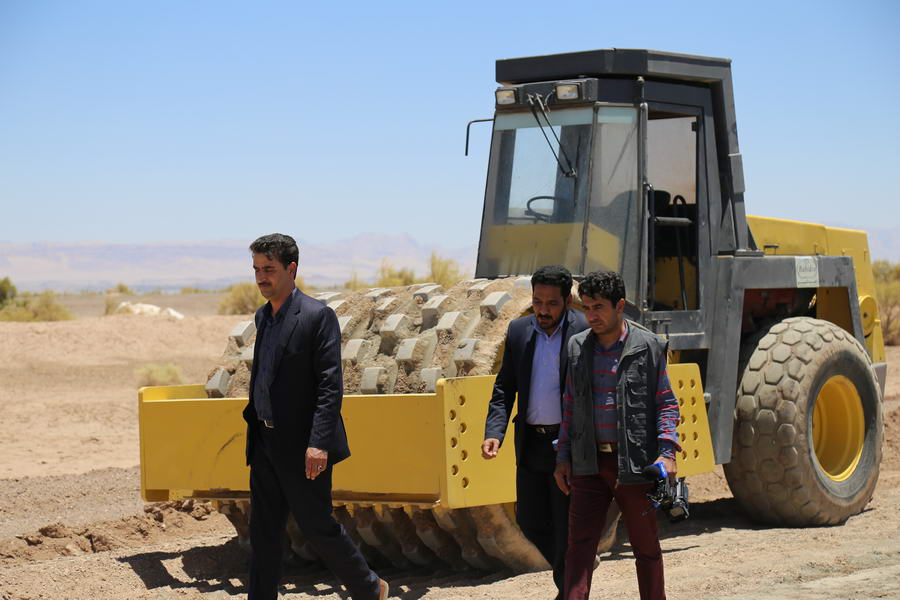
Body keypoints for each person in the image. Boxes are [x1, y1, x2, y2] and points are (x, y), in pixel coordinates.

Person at [242, 233, 388, 600]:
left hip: (302, 444)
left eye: (269, 269)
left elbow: (329, 385)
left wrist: (318, 443)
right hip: (264, 441)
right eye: (256, 269)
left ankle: (370, 589)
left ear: (291, 269)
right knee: (263, 531)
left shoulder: (317, 316)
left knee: (317, 527)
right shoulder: (263, 317)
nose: (261, 277)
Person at [553, 270, 680, 600]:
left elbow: (666, 403)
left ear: (620, 305)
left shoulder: (649, 347)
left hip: (634, 465)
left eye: (599, 307)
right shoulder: (577, 347)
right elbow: (570, 405)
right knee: (578, 548)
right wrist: (563, 457)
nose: (591, 315)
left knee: (645, 547)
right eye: (587, 307)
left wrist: (667, 453)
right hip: (588, 465)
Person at [482, 265, 589, 599]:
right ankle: (575, 571)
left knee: (564, 524)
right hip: (531, 444)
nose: (543, 310)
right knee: (529, 522)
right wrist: (494, 431)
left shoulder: (584, 331)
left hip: (567, 445)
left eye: (552, 303)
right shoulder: (518, 331)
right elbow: (504, 387)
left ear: (567, 301)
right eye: (537, 301)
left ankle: (570, 589)